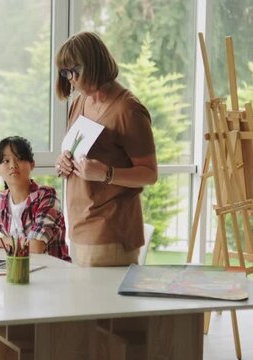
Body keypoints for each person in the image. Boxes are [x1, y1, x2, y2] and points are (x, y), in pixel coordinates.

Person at [54, 31, 157, 266]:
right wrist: (64, 161)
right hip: (79, 227)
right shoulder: (81, 101)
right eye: (64, 72)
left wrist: (106, 173)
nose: (70, 78)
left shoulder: (128, 111)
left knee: (102, 303)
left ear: (93, 65)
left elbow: (150, 174)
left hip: (110, 232)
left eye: (73, 71)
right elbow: (80, 151)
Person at [0, 136, 70, 261]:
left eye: (19, 159)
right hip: (18, 270)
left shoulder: (46, 196)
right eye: (6, 161)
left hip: (54, 271)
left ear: (32, 164)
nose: (13, 165)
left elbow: (36, 246)